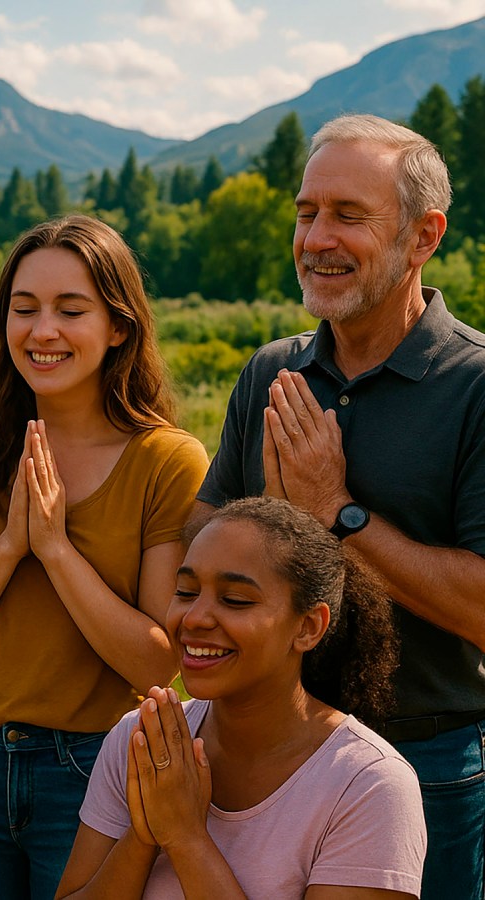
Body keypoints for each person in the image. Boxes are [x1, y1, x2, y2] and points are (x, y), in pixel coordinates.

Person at [191, 114, 485, 899]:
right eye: (305, 212)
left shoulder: (478, 388)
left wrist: (337, 512)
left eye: (348, 216)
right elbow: (202, 546)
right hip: (261, 758)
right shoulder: (270, 374)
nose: (316, 237)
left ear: (423, 236)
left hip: (426, 767)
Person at [0, 215, 209, 900]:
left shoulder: (168, 461)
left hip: (96, 769)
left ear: (119, 325)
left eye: (72, 310)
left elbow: (160, 661)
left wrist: (57, 550)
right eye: (24, 309)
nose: (43, 332)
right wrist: (9, 547)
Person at [57, 496, 426, 899]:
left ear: (308, 626)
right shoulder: (142, 742)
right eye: (185, 592)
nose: (195, 618)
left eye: (235, 600)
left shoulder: (369, 785)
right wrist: (143, 836)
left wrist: (185, 839)